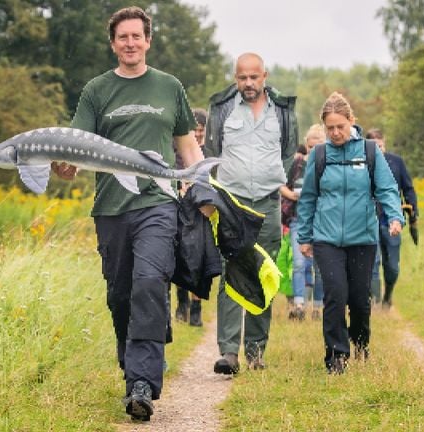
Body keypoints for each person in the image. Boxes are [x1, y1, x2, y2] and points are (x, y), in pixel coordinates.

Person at [54, 6, 208, 421]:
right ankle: (138, 356)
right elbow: (77, 146)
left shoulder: (168, 87)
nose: (130, 43)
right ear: (113, 43)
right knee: (121, 295)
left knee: (148, 283)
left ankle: (141, 383)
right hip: (110, 207)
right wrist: (65, 166)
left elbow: (186, 144)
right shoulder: (96, 91)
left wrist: (197, 182)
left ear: (148, 40)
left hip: (157, 203)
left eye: (136, 36)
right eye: (122, 37)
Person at [296, 92, 404, 375]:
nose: (335, 133)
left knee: (358, 299)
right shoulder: (319, 155)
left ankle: (360, 343)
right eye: (329, 128)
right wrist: (305, 236)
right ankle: (336, 357)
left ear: (351, 122)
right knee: (335, 294)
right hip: (326, 239)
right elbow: (308, 197)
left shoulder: (369, 152)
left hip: (363, 239)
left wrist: (395, 216)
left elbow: (387, 188)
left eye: (340, 127)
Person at [204, 52, 298, 374]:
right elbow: (212, 152)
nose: (248, 83)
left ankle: (256, 352)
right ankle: (228, 353)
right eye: (242, 77)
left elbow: (288, 152)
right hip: (233, 202)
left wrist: (274, 178)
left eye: (253, 77)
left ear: (264, 76)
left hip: (268, 204)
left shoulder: (283, 112)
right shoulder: (222, 108)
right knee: (231, 270)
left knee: (265, 273)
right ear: (235, 78)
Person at [365, 128, 419, 308]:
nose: (378, 150)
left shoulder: (396, 162)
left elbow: (408, 188)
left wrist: (413, 213)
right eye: (374, 147)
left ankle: (388, 296)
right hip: (369, 221)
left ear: (384, 143)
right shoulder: (362, 164)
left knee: (392, 266)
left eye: (380, 146)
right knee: (372, 263)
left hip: (391, 221)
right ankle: (375, 303)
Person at [283, 124, 326, 321]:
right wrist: (292, 195)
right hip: (298, 220)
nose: (313, 151)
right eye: (310, 147)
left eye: (317, 147)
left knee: (320, 266)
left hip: (322, 221)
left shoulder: (329, 165)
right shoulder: (297, 165)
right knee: (299, 263)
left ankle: (318, 307)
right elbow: (279, 184)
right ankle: (299, 304)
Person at [174, 108, 208, 326]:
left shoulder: (209, 151)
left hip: (201, 211)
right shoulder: (176, 151)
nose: (196, 135)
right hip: (179, 206)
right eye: (193, 130)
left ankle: (196, 307)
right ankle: (182, 302)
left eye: (200, 131)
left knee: (200, 259)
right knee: (179, 256)